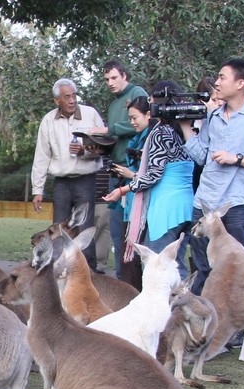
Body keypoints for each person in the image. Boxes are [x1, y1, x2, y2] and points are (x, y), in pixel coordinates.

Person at [179, 57, 244, 295]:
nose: (217, 82)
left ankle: (243, 329)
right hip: (203, 203)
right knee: (204, 267)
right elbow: (202, 156)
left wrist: (238, 159)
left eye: (222, 77)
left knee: (239, 269)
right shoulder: (212, 117)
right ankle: (209, 324)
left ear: (240, 83)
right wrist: (184, 127)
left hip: (235, 205)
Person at [103, 90, 194, 279]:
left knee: (156, 265)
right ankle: (183, 307)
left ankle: (165, 307)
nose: (150, 105)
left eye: (151, 101)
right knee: (176, 266)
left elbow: (153, 176)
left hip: (166, 208)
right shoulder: (180, 131)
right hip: (184, 206)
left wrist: (122, 190)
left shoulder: (160, 132)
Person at [31, 77, 105, 271]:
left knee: (85, 228)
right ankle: (57, 272)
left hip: (86, 179)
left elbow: (104, 147)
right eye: (67, 97)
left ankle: (89, 273)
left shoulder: (90, 114)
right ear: (57, 101)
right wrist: (37, 190)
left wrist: (85, 151)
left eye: (74, 96)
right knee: (58, 230)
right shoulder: (48, 120)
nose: (72, 101)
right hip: (62, 182)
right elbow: (42, 156)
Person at [89, 60, 148, 281]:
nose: (110, 83)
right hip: (115, 171)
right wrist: (97, 146)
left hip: (133, 172)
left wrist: (107, 129)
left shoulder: (137, 93)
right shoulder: (114, 104)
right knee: (117, 233)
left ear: (124, 75)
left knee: (133, 233)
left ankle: (137, 284)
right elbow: (115, 138)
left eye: (114, 78)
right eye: (106, 79)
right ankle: (124, 283)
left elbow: (137, 127)